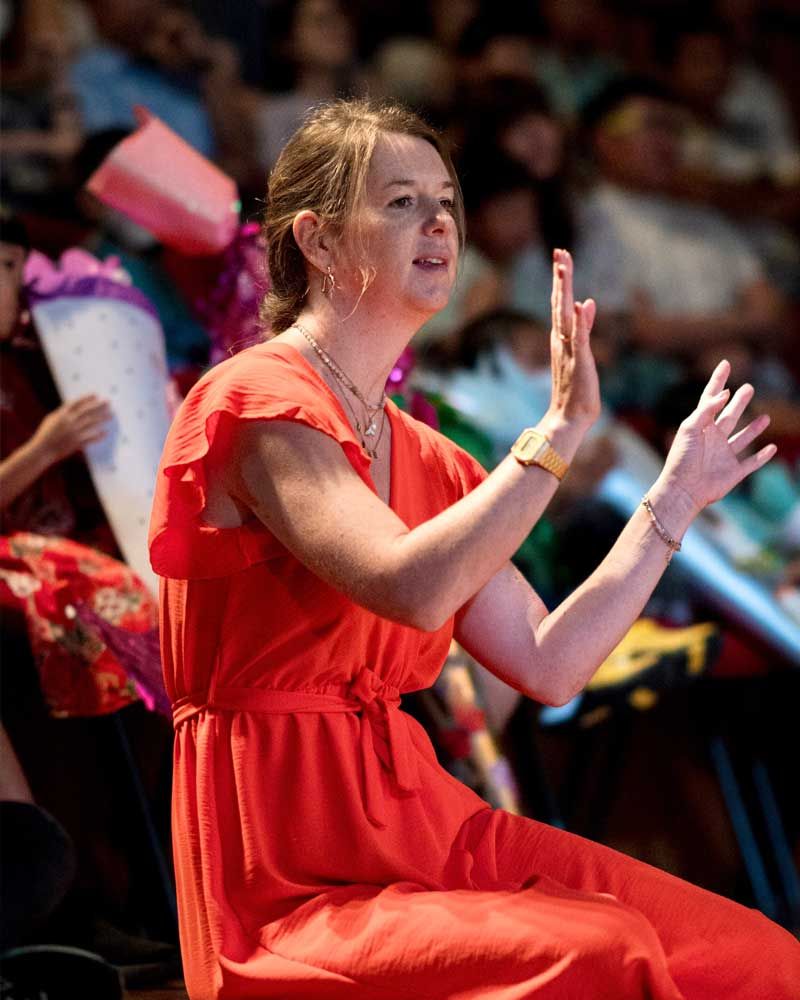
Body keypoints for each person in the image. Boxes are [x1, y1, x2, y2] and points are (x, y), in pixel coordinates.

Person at [149, 99, 799, 998]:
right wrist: (558, 433)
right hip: (287, 866)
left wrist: (671, 502)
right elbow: (405, 588)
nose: (441, 222)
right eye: (403, 201)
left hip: (421, 821)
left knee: (758, 961)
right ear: (320, 241)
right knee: (602, 956)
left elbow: (551, 663)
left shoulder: (429, 454)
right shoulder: (257, 400)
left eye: (447, 201)